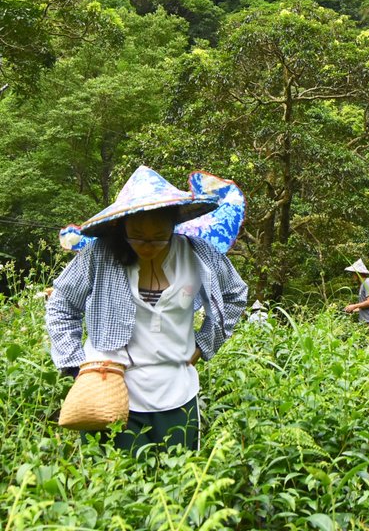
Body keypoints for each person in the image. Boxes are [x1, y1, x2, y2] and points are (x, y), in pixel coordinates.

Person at [45, 166, 248, 452]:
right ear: (122, 225)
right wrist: (76, 364)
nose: (148, 245)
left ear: (173, 224)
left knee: (176, 483)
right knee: (113, 488)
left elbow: (235, 293)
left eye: (159, 236)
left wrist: (205, 343)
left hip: (176, 393)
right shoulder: (99, 255)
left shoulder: (198, 254)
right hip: (108, 395)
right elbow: (61, 305)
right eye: (137, 235)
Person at [343, 258, 369, 329]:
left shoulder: (367, 282)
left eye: (353, 273)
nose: (352, 275)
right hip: (365, 322)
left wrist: (354, 306)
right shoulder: (362, 285)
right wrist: (353, 309)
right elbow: (365, 307)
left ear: (358, 273)